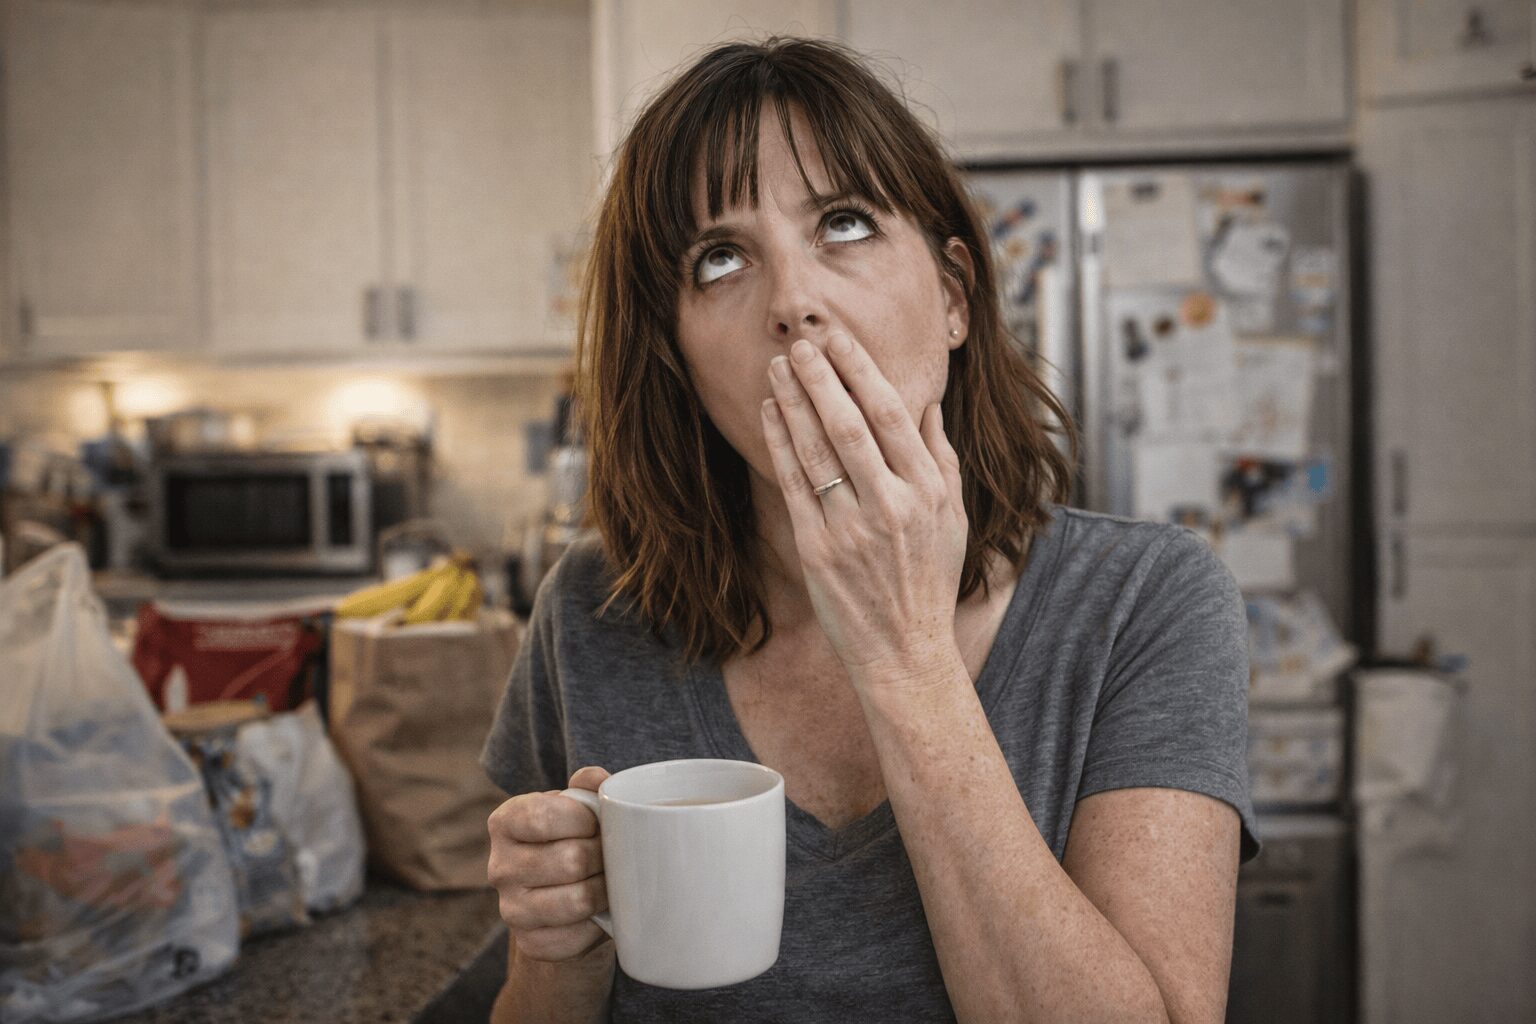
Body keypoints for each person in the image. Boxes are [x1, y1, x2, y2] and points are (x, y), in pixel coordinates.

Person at [482, 35, 1260, 1024]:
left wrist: (904, 652)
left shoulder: (1150, 602)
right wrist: (557, 960)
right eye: (720, 258)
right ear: (675, 353)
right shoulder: (593, 615)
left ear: (952, 299)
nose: (796, 302)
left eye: (843, 223)